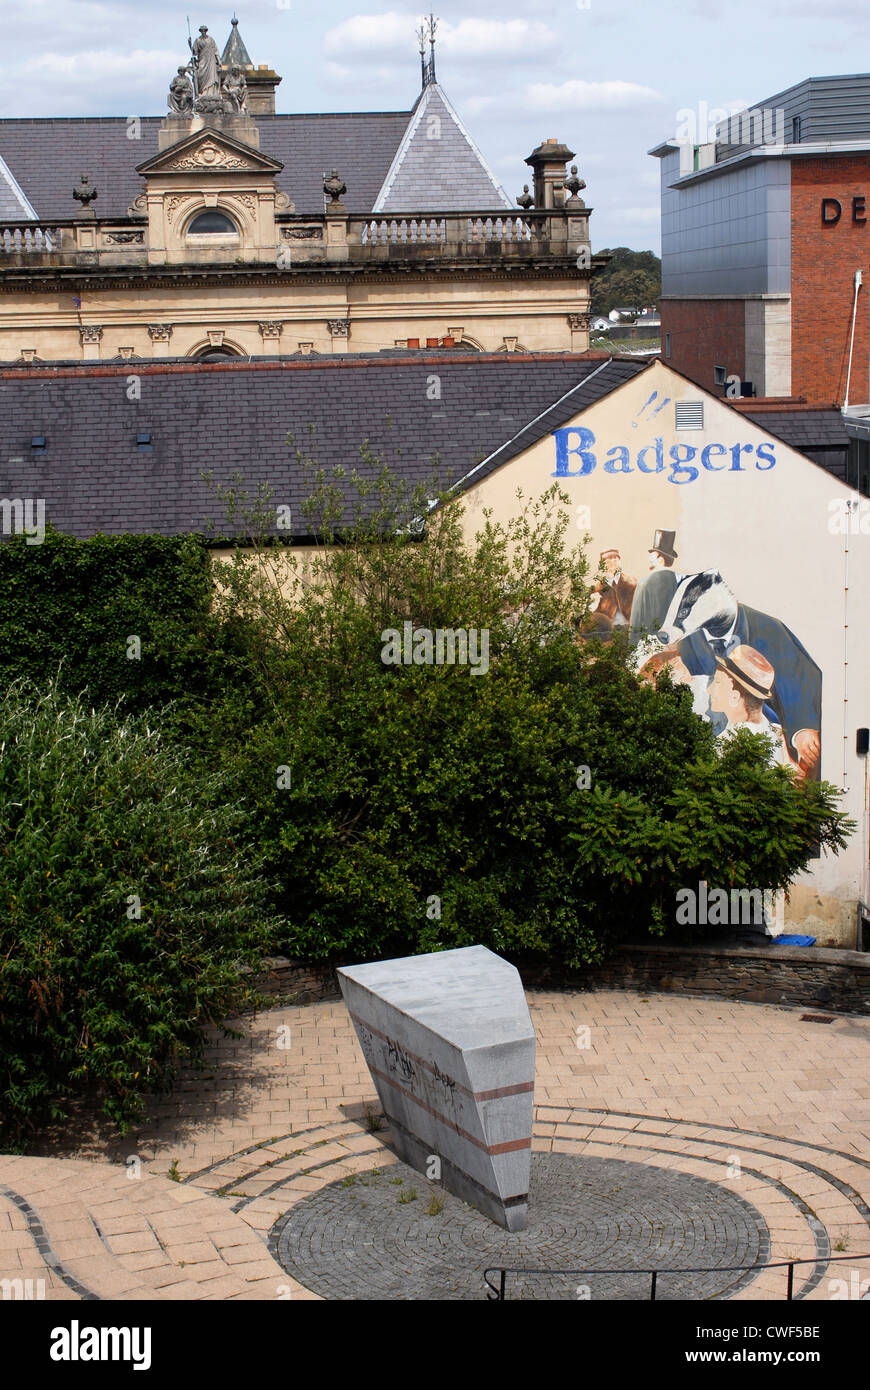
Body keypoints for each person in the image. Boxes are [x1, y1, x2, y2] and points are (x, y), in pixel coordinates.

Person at [708, 644, 796, 770]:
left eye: (717, 682)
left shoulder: (728, 741)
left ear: (734, 697)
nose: (710, 689)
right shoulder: (774, 732)